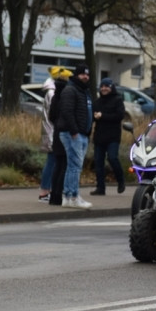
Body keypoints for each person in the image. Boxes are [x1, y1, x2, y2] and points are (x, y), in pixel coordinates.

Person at [55, 62, 93, 209]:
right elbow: (67, 111)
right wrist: (74, 131)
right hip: (73, 134)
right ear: (76, 75)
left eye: (87, 74)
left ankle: (68, 197)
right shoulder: (70, 90)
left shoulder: (83, 91)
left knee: (73, 166)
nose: (85, 76)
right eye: (83, 74)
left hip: (81, 134)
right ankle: (73, 196)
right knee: (75, 166)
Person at [39, 66, 71, 203]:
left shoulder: (51, 91)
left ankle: (48, 190)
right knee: (52, 161)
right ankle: (45, 191)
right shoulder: (53, 93)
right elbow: (54, 114)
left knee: (53, 161)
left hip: (51, 130)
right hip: (52, 131)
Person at [90, 77, 126, 196]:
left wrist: (103, 116)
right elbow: (92, 118)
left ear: (111, 87)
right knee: (98, 162)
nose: (104, 88)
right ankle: (100, 187)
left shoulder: (117, 100)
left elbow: (119, 116)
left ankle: (121, 180)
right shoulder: (97, 102)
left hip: (113, 136)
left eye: (106, 86)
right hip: (99, 136)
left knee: (112, 158)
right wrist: (94, 117)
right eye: (102, 86)